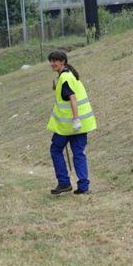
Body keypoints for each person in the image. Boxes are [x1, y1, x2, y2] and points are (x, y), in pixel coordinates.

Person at [46, 50, 96, 195]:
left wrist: (75, 119)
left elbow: (72, 98)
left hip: (69, 126)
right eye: (51, 60)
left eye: (55, 60)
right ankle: (83, 187)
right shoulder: (71, 75)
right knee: (79, 153)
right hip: (81, 125)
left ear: (63, 61)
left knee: (55, 150)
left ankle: (64, 183)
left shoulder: (65, 78)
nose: (52, 63)